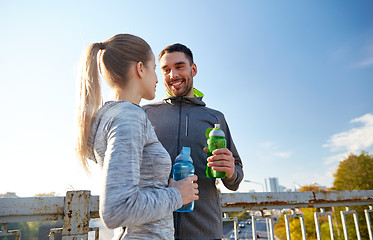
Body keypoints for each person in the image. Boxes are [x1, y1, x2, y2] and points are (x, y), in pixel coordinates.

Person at [75, 34, 199, 240]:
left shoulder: (111, 115)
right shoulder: (129, 117)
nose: (159, 78)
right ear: (140, 68)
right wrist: (177, 195)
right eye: (154, 69)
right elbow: (116, 210)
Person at [143, 43, 244, 240]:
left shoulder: (215, 118)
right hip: (154, 231)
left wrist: (231, 171)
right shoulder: (145, 114)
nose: (173, 75)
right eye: (166, 70)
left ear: (193, 69)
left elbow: (236, 177)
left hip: (204, 232)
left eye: (179, 66)